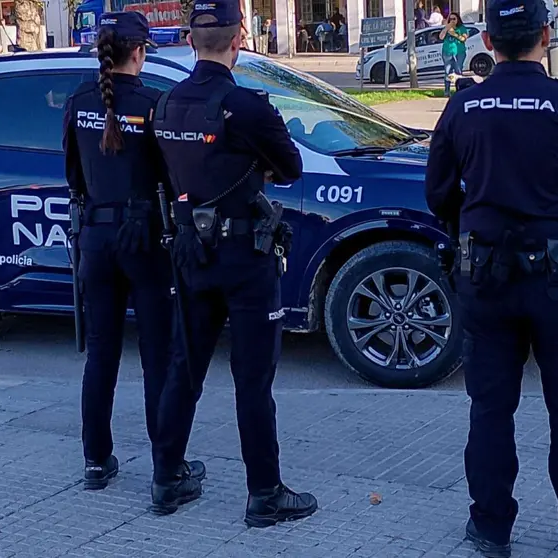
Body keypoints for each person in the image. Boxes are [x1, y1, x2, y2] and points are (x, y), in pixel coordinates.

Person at [423, 0, 558, 556]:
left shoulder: (463, 108)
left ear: (486, 42)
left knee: (490, 409)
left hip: (485, 281)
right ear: (545, 35)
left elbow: (438, 194)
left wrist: (474, 225)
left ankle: (490, 528)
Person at [148, 0, 318, 527]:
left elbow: (168, 176)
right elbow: (290, 167)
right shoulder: (245, 106)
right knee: (252, 380)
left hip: (191, 254)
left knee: (185, 368)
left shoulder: (167, 103)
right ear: (238, 38)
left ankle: (166, 477)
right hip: (245, 257)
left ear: (193, 40)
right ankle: (264, 493)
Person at [61, 11, 206, 491]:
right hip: (143, 239)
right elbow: (173, 176)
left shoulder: (80, 101)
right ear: (140, 52)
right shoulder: (151, 103)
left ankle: (95, 461)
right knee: (156, 357)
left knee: (101, 353)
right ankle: (168, 466)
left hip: (96, 238)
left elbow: (74, 177)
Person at [439, 12, 469, 97]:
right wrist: (446, 29)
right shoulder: (447, 27)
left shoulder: (462, 28)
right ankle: (447, 91)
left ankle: (459, 90)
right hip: (447, 52)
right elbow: (441, 37)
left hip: (459, 52)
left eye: (454, 19)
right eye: (450, 19)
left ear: (458, 19)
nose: (452, 21)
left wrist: (454, 34)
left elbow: (463, 39)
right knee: (447, 71)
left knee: (458, 71)